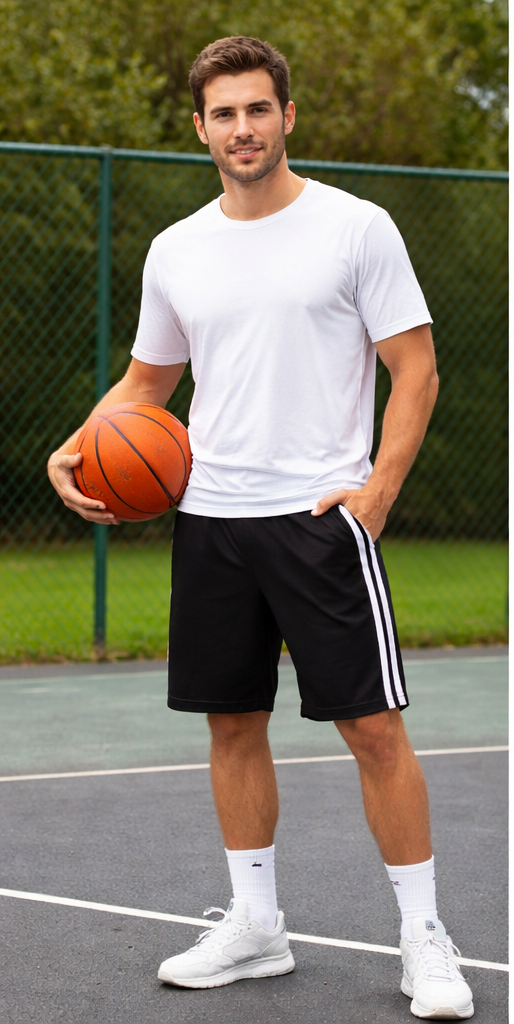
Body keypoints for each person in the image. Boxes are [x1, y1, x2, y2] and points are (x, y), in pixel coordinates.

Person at [48, 35, 474, 1021]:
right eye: (223, 114)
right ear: (199, 128)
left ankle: (423, 935)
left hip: (320, 518)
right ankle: (255, 925)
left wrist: (372, 495)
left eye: (257, 109)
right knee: (231, 723)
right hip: (211, 520)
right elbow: (148, 385)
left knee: (371, 727)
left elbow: (415, 368)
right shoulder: (177, 249)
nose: (242, 129)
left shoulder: (354, 227)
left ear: (287, 116)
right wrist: (72, 445)